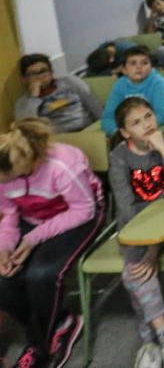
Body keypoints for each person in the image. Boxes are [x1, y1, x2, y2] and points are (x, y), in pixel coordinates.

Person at [0, 118, 104, 368]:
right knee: (3, 279)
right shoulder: (4, 170)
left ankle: (39, 346)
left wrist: (33, 239)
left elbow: (84, 210)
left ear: (30, 164)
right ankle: (60, 322)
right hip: (34, 220)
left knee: (41, 274)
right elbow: (10, 213)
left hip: (78, 216)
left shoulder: (63, 165)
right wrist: (4, 248)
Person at [109, 97, 164, 368]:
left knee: (134, 271)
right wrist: (147, 245)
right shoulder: (119, 156)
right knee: (133, 271)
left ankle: (149, 342)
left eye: (148, 116)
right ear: (124, 132)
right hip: (136, 227)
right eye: (136, 122)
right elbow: (126, 208)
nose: (146, 125)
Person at [15, 54, 102, 133]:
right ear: (24, 80)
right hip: (58, 141)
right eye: (33, 74)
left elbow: (94, 106)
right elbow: (28, 131)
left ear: (51, 73)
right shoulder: (23, 103)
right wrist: (33, 97)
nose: (39, 77)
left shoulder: (70, 82)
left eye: (43, 71)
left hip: (88, 130)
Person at [99, 47, 164, 136]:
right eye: (133, 63)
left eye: (144, 63)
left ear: (151, 67)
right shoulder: (120, 85)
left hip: (153, 128)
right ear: (124, 69)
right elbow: (108, 117)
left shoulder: (157, 82)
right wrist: (118, 132)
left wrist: (140, 129)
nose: (139, 67)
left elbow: (162, 114)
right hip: (128, 131)